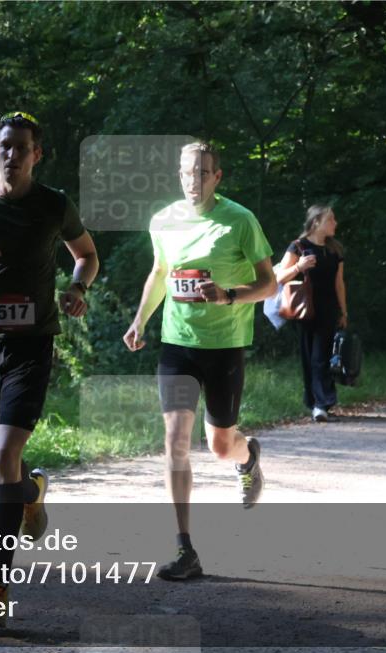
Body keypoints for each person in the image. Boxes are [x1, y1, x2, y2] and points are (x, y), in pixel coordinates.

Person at [0, 112, 99, 626]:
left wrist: (77, 288)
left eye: (22, 147)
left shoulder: (54, 204)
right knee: (2, 465)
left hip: (32, 344)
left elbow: (87, 254)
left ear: (36, 154)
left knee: (6, 454)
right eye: (5, 145)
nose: (13, 154)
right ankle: (31, 493)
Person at [123, 141, 275, 581]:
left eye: (202, 173)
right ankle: (185, 548)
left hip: (225, 344)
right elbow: (159, 272)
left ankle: (247, 459)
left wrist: (230, 295)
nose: (193, 181)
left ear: (217, 177)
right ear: (179, 175)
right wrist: (140, 321)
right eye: (187, 173)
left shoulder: (240, 220)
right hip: (178, 344)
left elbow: (267, 284)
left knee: (220, 444)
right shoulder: (164, 220)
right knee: (175, 440)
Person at [274, 205, 348, 422]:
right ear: (316, 222)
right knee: (310, 356)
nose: (335, 223)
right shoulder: (298, 247)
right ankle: (317, 402)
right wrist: (299, 266)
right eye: (331, 219)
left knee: (321, 356)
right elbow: (279, 278)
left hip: (329, 308)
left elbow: (339, 283)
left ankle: (322, 403)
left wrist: (344, 311)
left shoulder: (334, 250)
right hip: (304, 309)